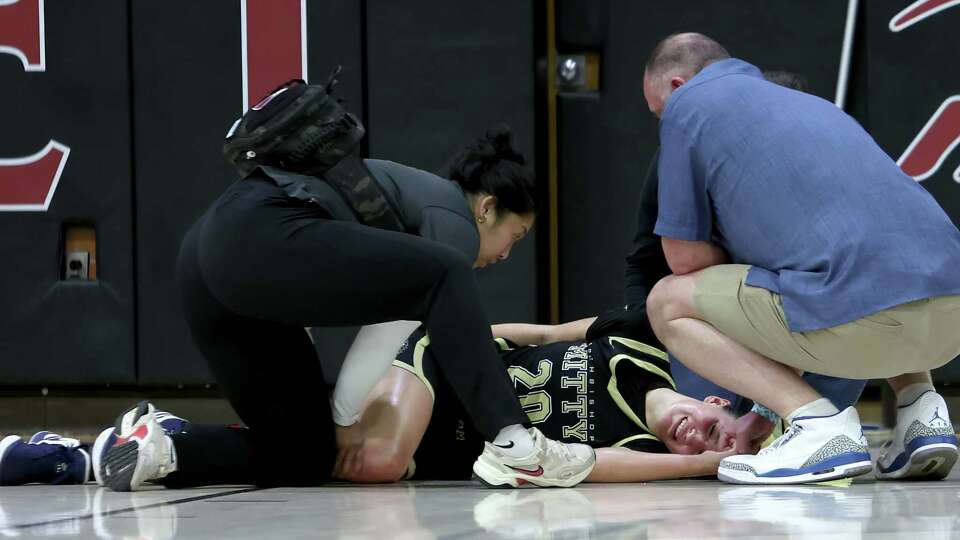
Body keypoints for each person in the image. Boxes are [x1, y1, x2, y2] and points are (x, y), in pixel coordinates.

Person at [96, 78, 594, 491]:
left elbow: (313, 285)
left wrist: (331, 427)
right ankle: (516, 445)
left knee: (304, 455)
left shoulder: (414, 208)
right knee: (445, 274)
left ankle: (157, 447)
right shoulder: (453, 222)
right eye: (516, 236)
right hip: (255, 235)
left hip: (210, 256)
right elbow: (394, 323)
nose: (507, 253)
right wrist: (345, 418)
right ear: (487, 207)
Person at [640, 32, 960, 484]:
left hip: (865, 319)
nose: (661, 123)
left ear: (677, 86)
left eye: (657, 112)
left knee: (668, 301)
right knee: (874, 258)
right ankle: (922, 413)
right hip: (949, 320)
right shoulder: (812, 107)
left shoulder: (688, 107)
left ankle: (818, 428)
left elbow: (684, 258)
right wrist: (763, 417)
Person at [617, 69, 867, 445]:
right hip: (735, 321)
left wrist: (766, 412)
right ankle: (917, 409)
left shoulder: (809, 175)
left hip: (821, 321)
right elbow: (646, 260)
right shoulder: (687, 155)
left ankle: (821, 422)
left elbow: (813, 299)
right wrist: (640, 342)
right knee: (708, 427)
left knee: (863, 286)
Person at [333, 309, 738, 485]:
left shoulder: (641, 452)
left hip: (442, 445)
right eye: (714, 429)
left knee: (340, 463)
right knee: (378, 463)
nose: (696, 437)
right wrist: (462, 337)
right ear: (715, 401)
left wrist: (713, 464)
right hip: (440, 366)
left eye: (704, 449)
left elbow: (586, 465)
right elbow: (548, 333)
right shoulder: (640, 343)